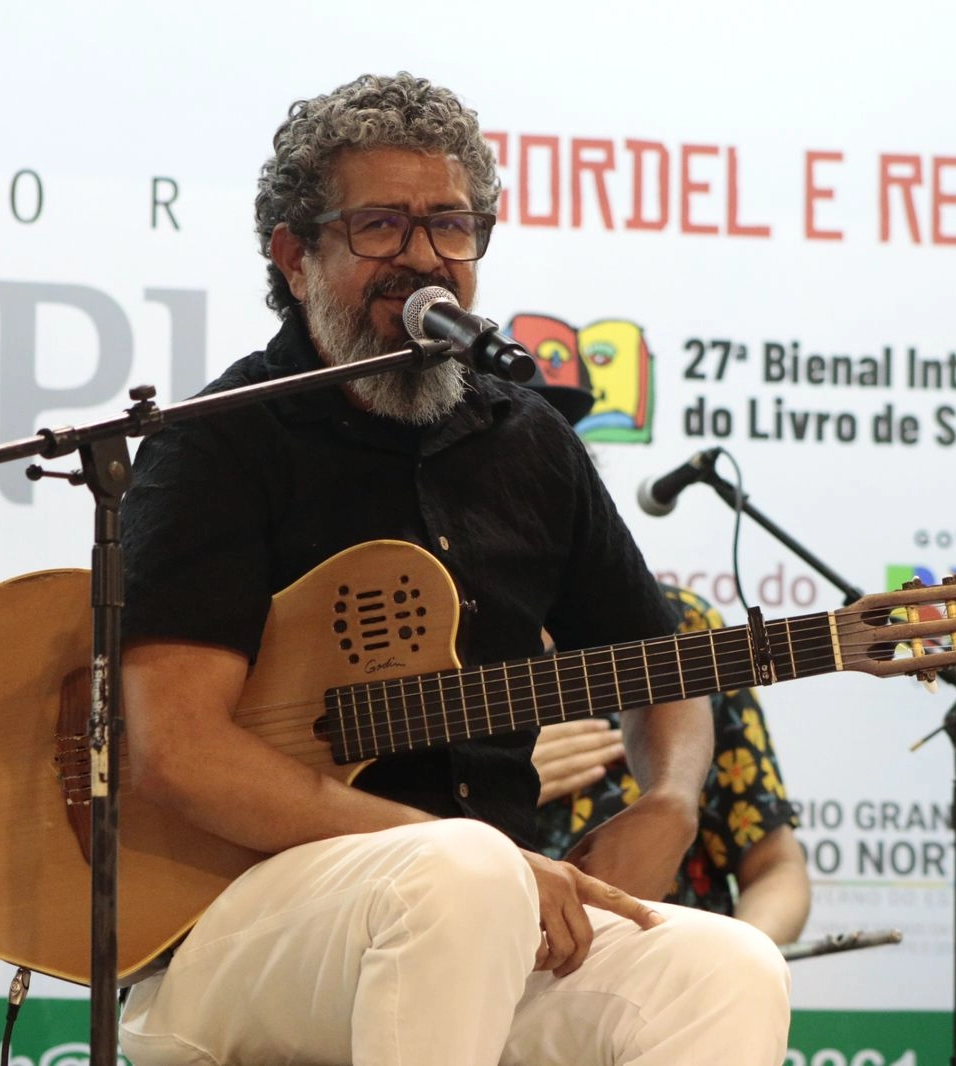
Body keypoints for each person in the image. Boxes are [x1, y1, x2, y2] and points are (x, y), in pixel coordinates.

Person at [115, 72, 791, 1066]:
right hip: (225, 930)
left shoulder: (528, 439)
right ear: (296, 256)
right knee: (462, 870)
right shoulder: (220, 440)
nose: (425, 259)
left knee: (725, 965)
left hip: (485, 915)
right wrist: (483, 859)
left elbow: (663, 666)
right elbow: (175, 748)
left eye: (451, 225)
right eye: (381, 226)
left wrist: (669, 802)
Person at [525, 375, 811, 946]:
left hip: (657, 992)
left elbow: (776, 868)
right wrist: (495, 781)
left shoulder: (680, 626)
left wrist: (734, 959)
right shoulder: (411, 640)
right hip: (486, 982)